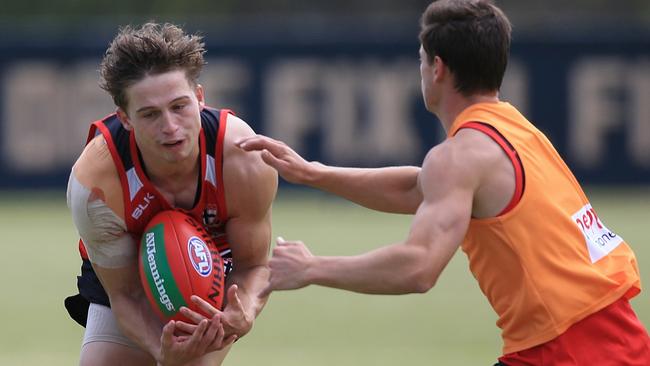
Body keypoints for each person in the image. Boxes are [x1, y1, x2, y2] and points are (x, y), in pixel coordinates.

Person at [237, 0, 650, 364]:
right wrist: (313, 172)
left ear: (437, 68)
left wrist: (313, 268)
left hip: (568, 351)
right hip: (611, 338)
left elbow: (419, 267)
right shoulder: (513, 129)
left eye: (421, 59)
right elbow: (417, 189)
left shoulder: (459, 156)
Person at [64, 22, 278, 366]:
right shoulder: (95, 185)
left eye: (179, 106)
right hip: (127, 273)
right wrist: (160, 349)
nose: (170, 126)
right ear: (126, 118)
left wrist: (246, 310)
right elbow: (126, 294)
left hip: (210, 272)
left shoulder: (242, 157)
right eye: (150, 114)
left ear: (200, 98)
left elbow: (253, 265)